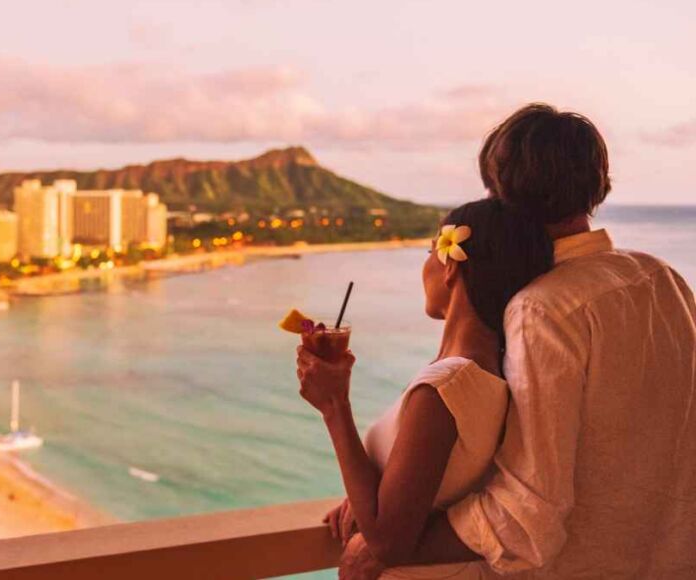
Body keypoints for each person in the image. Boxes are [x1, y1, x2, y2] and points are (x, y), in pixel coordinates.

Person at [309, 104, 696, 579]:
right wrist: (393, 488)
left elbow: (529, 514)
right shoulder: (663, 279)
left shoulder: (541, 310)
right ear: (597, 186)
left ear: (500, 191)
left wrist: (391, 542)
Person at [297, 197, 553, 579]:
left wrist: (335, 405)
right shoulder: (492, 373)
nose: (426, 265)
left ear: (450, 266)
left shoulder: (445, 387)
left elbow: (388, 542)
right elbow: (437, 486)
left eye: (430, 251)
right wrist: (365, 497)